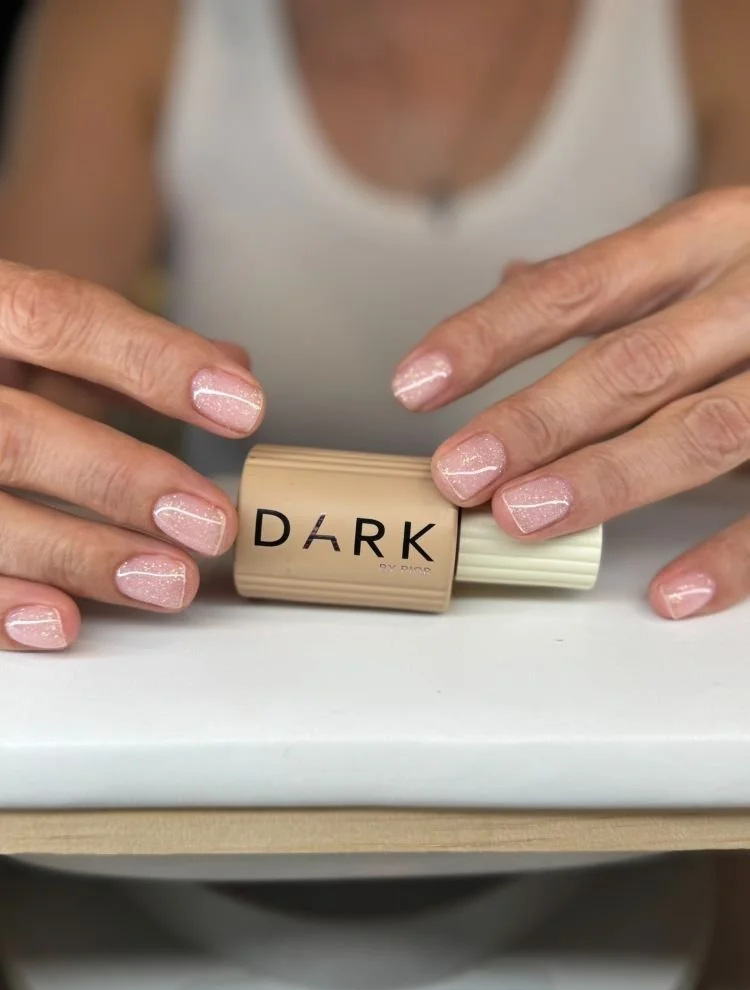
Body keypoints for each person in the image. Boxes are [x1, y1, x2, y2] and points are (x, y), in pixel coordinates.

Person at [1, 0, 750, 651]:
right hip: (231, 644)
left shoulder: (717, 28)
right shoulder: (127, 23)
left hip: (630, 629)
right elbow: (42, 379)